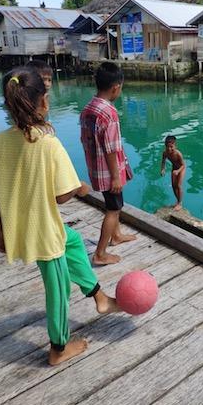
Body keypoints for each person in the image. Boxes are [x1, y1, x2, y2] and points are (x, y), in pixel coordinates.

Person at [0, 66, 120, 366]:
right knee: (57, 289)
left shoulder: (1, 141)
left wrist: (1, 233)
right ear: (44, 102)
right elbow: (61, 194)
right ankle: (58, 348)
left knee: (72, 242)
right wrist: (80, 188)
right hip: (43, 232)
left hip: (18, 227)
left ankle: (99, 297)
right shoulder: (48, 144)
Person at [80, 62, 136, 266]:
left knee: (115, 204)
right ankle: (100, 253)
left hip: (96, 170)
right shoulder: (109, 113)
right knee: (113, 209)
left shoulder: (88, 108)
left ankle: (117, 236)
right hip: (109, 172)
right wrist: (115, 177)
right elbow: (111, 148)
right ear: (116, 87)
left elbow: (85, 140)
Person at [161, 135, 186, 211]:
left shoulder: (178, 154)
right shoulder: (165, 153)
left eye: (171, 147)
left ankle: (180, 203)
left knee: (178, 185)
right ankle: (177, 201)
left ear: (175, 146)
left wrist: (178, 171)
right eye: (167, 147)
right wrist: (163, 169)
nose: (169, 149)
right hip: (174, 169)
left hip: (181, 169)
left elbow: (183, 165)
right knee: (173, 186)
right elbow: (163, 162)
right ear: (165, 146)